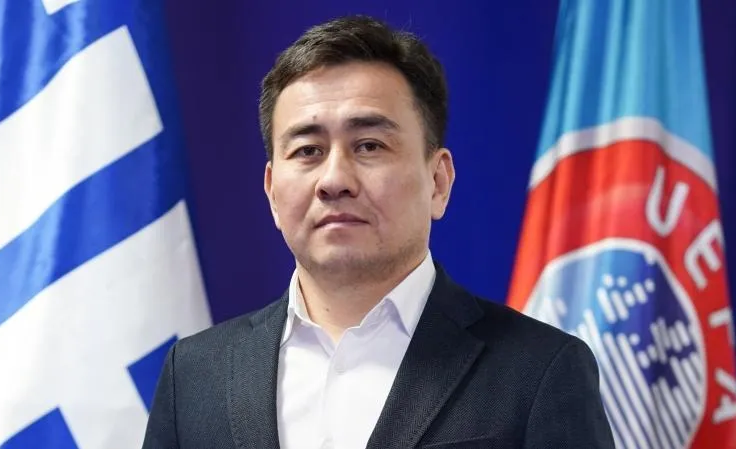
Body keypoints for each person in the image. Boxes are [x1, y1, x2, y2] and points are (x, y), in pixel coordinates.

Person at [142, 15, 615, 449]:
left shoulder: (540, 371)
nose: (334, 180)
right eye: (307, 151)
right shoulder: (194, 376)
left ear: (438, 181)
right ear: (271, 191)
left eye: (369, 145)